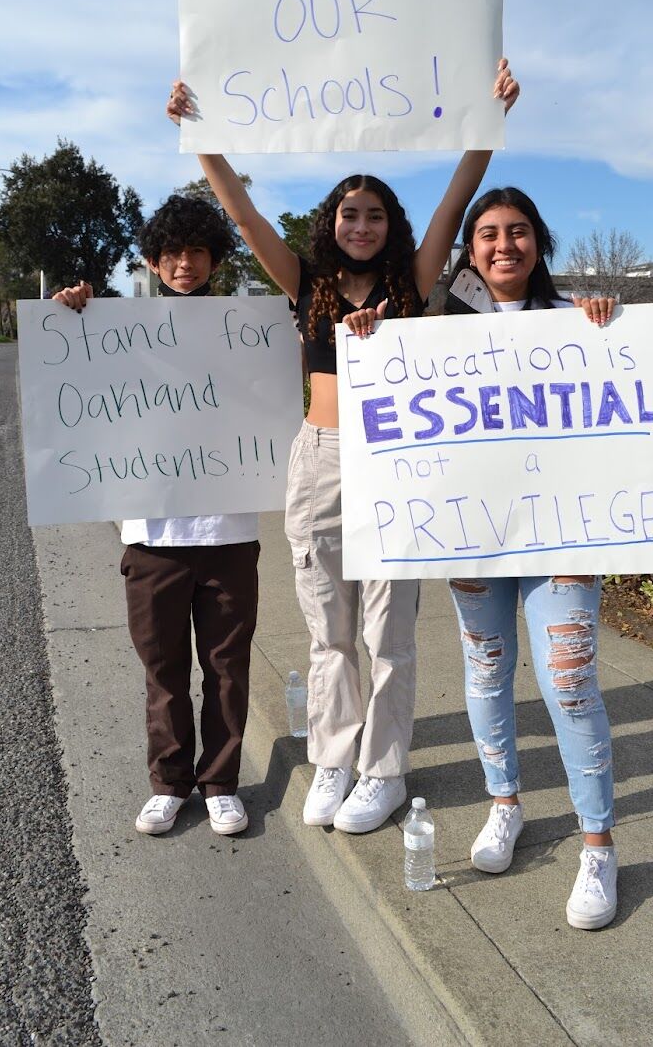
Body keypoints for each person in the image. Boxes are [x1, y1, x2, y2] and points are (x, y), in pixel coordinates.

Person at [167, 62, 519, 834]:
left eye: (374, 215)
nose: (361, 226)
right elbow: (248, 218)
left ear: (390, 224)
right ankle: (334, 757)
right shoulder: (306, 280)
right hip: (321, 456)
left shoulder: (415, 275)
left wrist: (486, 124)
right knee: (329, 628)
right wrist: (202, 143)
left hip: (398, 463)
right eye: (349, 214)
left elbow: (457, 199)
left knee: (389, 632)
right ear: (331, 220)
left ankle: (383, 772)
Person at [440, 187, 618, 929]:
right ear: (471, 248)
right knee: (486, 669)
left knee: (570, 679)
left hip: (561, 532)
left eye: (517, 231)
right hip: (471, 528)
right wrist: (367, 335)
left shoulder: (576, 321)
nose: (503, 244)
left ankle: (599, 845)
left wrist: (609, 329)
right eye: (487, 233)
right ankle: (504, 803)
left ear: (538, 242)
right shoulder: (435, 326)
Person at [53, 194, 258, 838]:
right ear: (152, 260)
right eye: (172, 252)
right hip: (152, 535)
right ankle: (170, 783)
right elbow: (73, 387)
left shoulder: (248, 327)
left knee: (227, 667)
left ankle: (220, 781)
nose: (185, 263)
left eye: (198, 250)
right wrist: (66, 319)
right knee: (163, 668)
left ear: (215, 260)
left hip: (230, 530)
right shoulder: (118, 328)